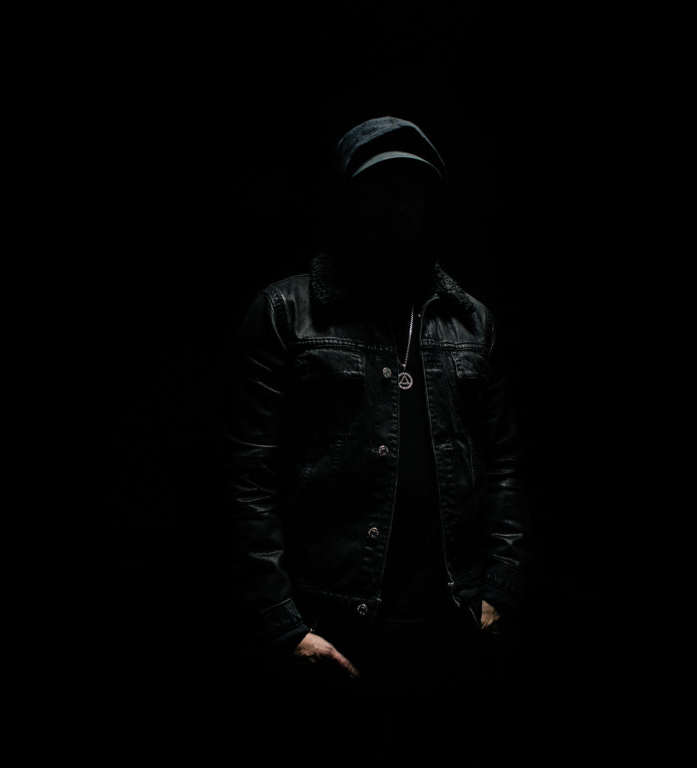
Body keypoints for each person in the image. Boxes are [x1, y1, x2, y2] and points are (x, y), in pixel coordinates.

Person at [224, 116, 528, 709]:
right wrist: (281, 624)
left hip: (454, 623)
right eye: (379, 186)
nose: (398, 204)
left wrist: (501, 590)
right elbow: (245, 480)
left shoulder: (472, 322)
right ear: (347, 199)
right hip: (332, 625)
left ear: (432, 202)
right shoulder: (285, 311)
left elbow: (507, 465)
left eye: (412, 188)